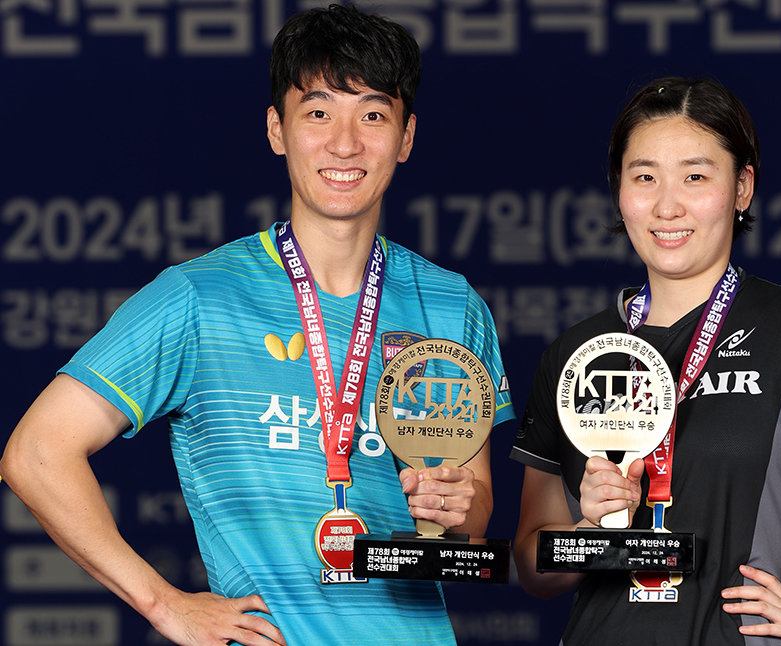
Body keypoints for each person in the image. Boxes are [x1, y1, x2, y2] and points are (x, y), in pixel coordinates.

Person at [0, 5, 514, 646]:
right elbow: (36, 453)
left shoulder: (450, 304)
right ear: (277, 129)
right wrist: (163, 603)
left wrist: (460, 507)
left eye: (373, 115)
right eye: (318, 112)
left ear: (406, 137)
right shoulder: (199, 297)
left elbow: (475, 512)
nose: (345, 143)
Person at [510, 76, 781, 645]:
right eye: (644, 177)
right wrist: (588, 531)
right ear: (618, 189)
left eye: (695, 177)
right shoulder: (578, 352)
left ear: (742, 188)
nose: (667, 205)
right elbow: (533, 569)